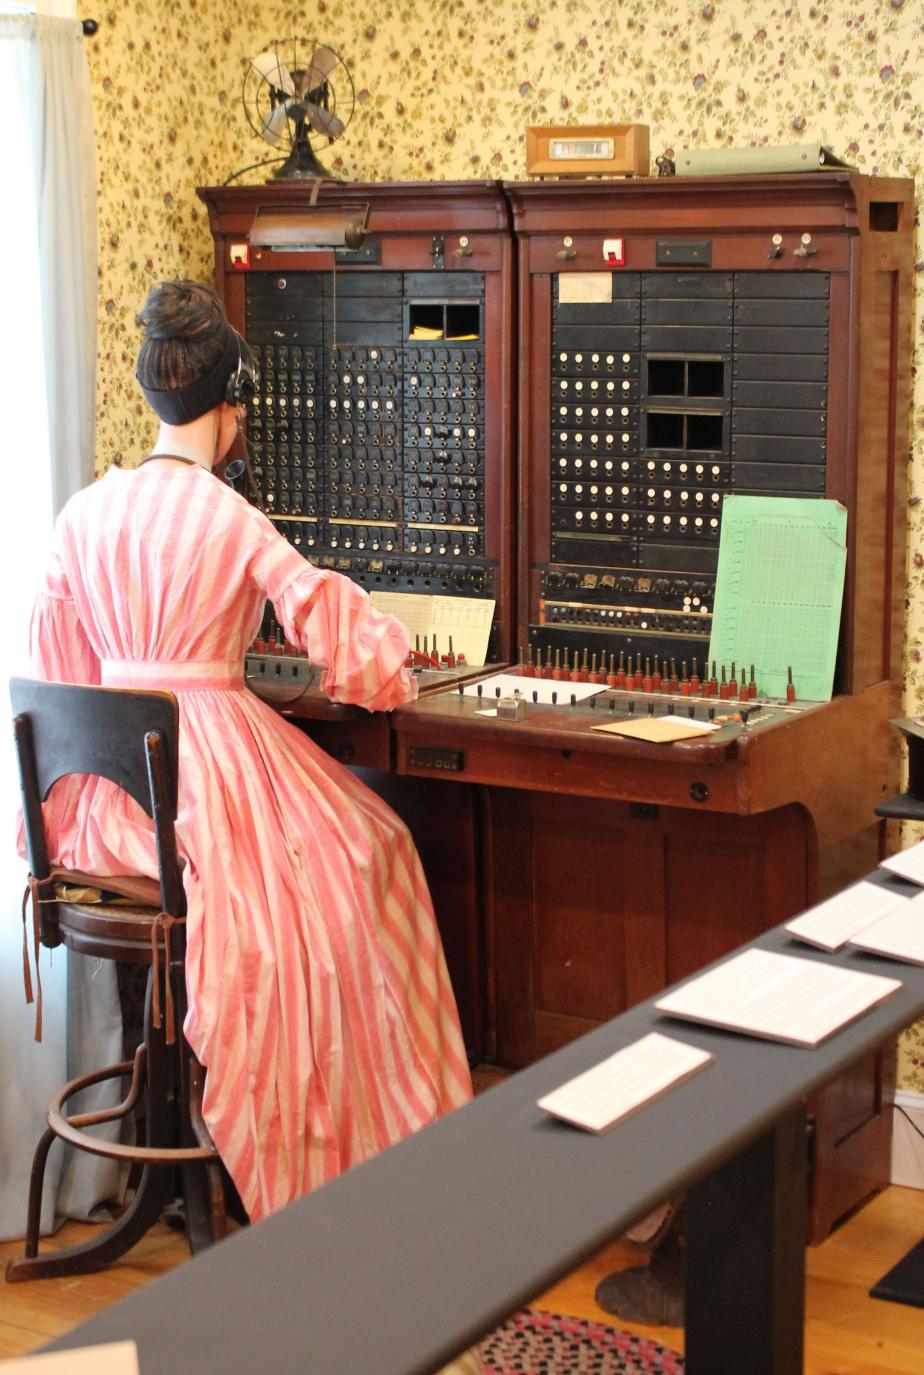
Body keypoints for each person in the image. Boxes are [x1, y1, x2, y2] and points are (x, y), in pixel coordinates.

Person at [24, 279, 473, 1222]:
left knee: (319, 873)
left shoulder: (80, 515)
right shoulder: (231, 518)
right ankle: (362, 1142)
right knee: (370, 847)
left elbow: (52, 674)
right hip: (203, 778)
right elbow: (337, 637)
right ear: (230, 408)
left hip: (107, 817)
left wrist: (57, 818)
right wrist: (395, 674)